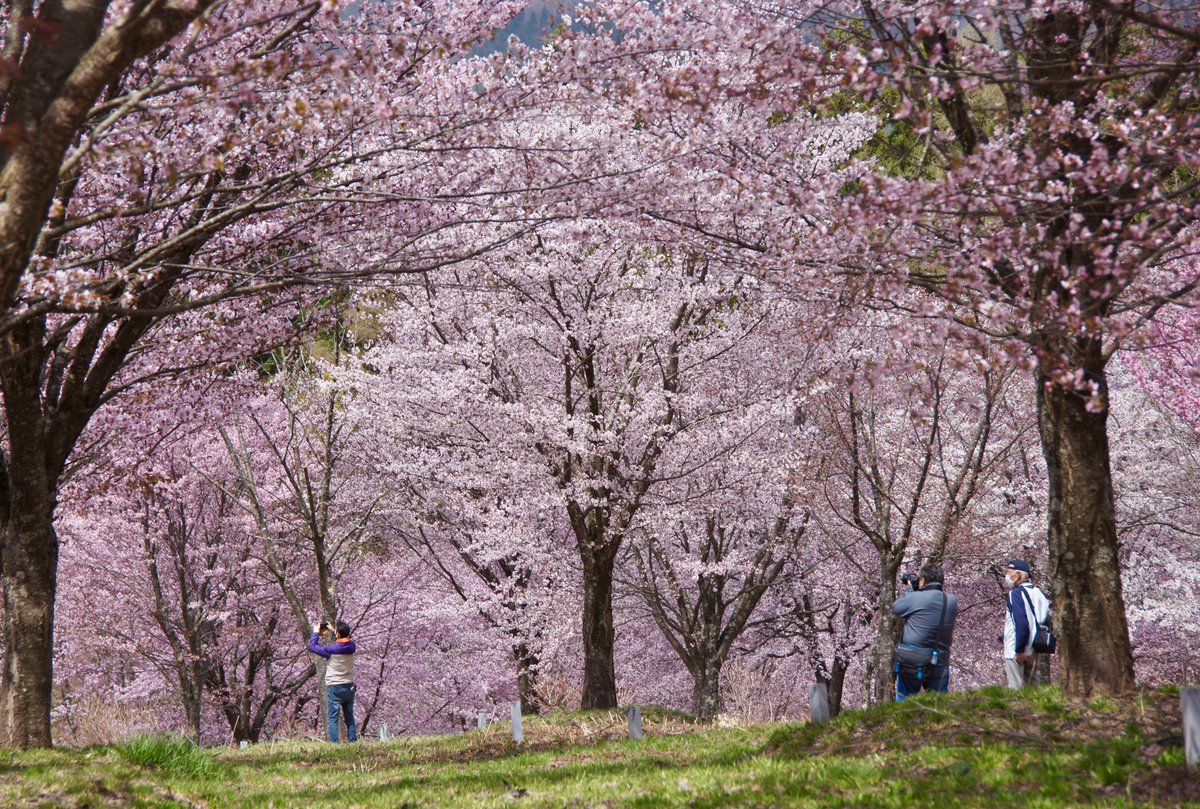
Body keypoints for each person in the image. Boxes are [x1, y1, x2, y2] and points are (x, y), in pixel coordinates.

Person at [891, 562, 958, 700]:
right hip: (939, 660)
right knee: (938, 703)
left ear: (922, 580)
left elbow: (896, 608)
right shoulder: (951, 601)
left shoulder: (915, 597)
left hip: (913, 661)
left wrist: (912, 590)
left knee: (905, 702)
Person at [1003, 559, 1050, 689]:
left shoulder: (1016, 594)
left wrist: (1019, 650)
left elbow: (1021, 622)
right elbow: (1044, 621)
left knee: (1016, 690)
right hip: (1035, 649)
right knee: (1033, 690)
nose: (1006, 576)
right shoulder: (1039, 593)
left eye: (1008, 572)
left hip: (1017, 649)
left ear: (1017, 575)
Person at [309, 619, 357, 742]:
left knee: (333, 718)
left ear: (338, 634)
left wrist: (315, 632)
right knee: (349, 717)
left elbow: (313, 647)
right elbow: (344, 639)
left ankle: (335, 743)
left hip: (335, 686)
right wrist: (333, 630)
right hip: (349, 685)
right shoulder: (352, 646)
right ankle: (352, 740)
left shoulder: (331, 650)